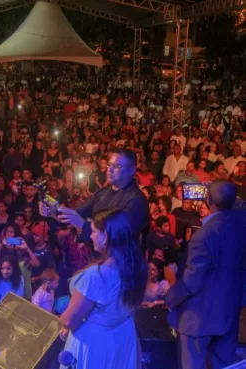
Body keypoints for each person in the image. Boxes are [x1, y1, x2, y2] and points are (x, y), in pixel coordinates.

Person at [165, 180, 246, 369]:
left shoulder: (204, 235)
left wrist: (170, 298)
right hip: (228, 314)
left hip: (198, 318)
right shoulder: (242, 225)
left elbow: (191, 282)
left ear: (207, 199)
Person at [59, 209, 147, 369]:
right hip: (120, 340)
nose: (90, 236)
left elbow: (69, 320)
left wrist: (62, 321)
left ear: (106, 235)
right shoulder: (136, 266)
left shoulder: (96, 276)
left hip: (94, 347)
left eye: (93, 231)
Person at [54, 149, 149, 243]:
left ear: (132, 170)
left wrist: (83, 224)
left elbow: (119, 237)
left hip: (117, 257)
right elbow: (77, 213)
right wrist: (52, 211)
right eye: (109, 165)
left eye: (116, 166)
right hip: (95, 255)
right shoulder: (102, 192)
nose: (109, 169)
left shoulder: (137, 200)